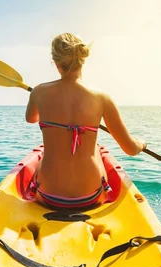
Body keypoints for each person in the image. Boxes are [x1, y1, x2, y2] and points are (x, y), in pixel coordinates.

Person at [25, 33, 147, 209]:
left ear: (56, 63)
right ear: (82, 61)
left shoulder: (39, 91)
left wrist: (38, 99)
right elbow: (130, 149)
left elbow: (31, 118)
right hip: (91, 196)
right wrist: (141, 144)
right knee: (95, 148)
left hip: (47, 195)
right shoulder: (102, 97)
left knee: (45, 154)